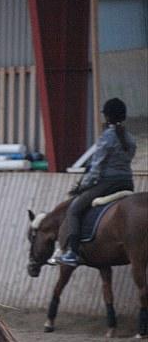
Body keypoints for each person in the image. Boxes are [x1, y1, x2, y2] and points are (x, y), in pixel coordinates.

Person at [55, 97, 136, 267]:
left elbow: (96, 167)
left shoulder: (107, 136)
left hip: (108, 183)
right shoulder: (129, 137)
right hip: (127, 183)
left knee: (75, 208)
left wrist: (83, 186)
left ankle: (73, 252)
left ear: (107, 117)